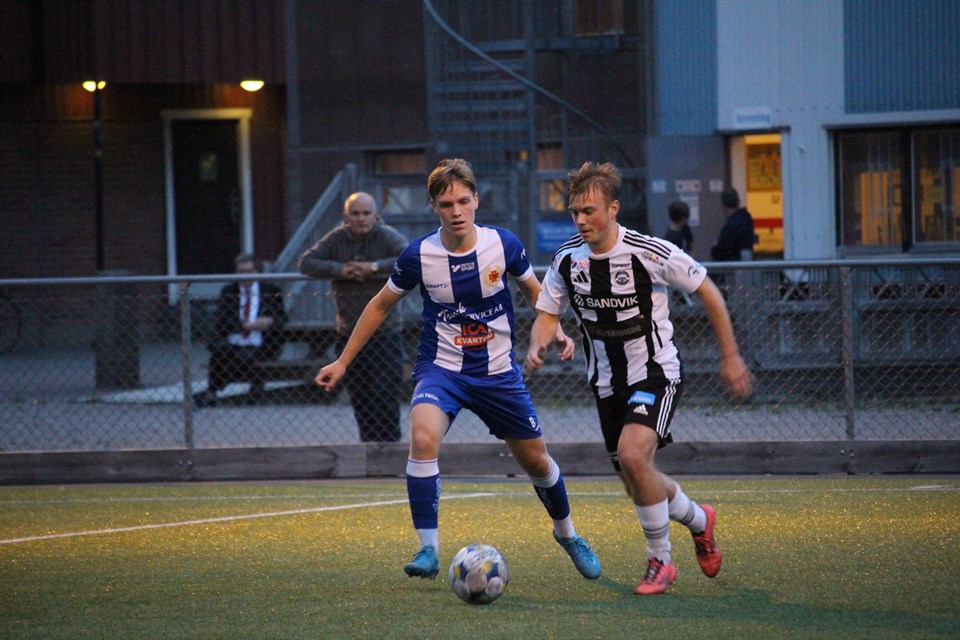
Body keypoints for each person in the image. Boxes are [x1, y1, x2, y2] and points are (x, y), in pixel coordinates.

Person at [315, 159, 601, 581]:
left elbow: (535, 292)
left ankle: (568, 535)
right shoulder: (418, 254)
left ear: (476, 201)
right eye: (447, 204)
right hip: (441, 369)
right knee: (422, 437)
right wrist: (342, 361)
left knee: (537, 462)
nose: (456, 211)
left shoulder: (503, 244)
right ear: (433, 206)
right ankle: (428, 550)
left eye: (463, 201)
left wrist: (554, 329)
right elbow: (379, 305)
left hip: (497, 373)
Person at [526, 162, 753, 595]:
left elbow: (708, 291)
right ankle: (700, 520)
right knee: (638, 480)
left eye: (589, 210)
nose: (581, 220)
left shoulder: (649, 252)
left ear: (613, 208)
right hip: (606, 383)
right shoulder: (567, 260)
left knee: (633, 456)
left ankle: (660, 561)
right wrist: (538, 344)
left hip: (655, 373)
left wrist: (730, 356)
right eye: (575, 212)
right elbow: (547, 314)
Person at [298, 192, 408, 442]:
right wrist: (341, 270)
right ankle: (367, 450)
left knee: (386, 395)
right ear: (346, 216)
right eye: (355, 214)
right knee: (360, 397)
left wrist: (374, 267)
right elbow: (306, 262)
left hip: (385, 333)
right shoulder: (336, 238)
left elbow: (411, 258)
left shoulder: (386, 235)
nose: (361, 219)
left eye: (366, 213)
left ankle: (389, 451)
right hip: (349, 332)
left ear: (375, 215)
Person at [193, 254, 287, 408]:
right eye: (241, 271)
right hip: (235, 339)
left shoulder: (270, 291)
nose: (244, 276)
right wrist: (244, 325)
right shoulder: (229, 291)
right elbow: (222, 320)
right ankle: (212, 391)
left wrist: (269, 321)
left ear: (257, 272)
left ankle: (217, 390)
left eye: (248, 271)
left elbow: (282, 318)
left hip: (260, 342)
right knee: (219, 354)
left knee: (246, 357)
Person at [710, 187, 756, 262]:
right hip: (746, 260)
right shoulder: (746, 218)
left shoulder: (732, 225)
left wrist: (715, 246)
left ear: (724, 206)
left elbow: (719, 251)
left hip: (734, 263)